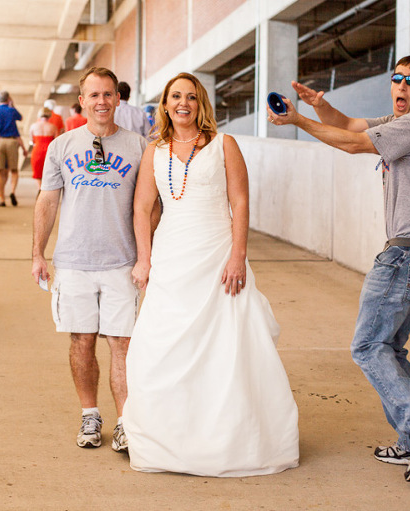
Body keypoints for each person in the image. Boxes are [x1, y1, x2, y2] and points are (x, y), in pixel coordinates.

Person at [269, 55, 410, 482]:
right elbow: (351, 125)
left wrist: (299, 122)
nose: (402, 87)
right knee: (389, 346)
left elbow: (353, 145)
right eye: (397, 79)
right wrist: (320, 106)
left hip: (408, 253)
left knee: (367, 346)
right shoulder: (397, 120)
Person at [123, 72, 299, 477]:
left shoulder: (225, 145)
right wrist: (144, 259)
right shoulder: (155, 150)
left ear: (201, 104)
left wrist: (238, 256)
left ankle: (229, 441)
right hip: (171, 258)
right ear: (164, 105)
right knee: (159, 349)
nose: (183, 103)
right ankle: (169, 443)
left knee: (227, 350)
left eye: (191, 97)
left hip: (218, 257)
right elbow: (142, 208)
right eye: (175, 97)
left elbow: (240, 201)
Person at [32, 67, 147, 452]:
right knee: (82, 340)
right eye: (93, 95)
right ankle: (90, 415)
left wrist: (147, 256)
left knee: (122, 343)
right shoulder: (62, 146)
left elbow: (151, 207)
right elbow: (47, 201)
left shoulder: (139, 147)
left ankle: (126, 423)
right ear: (81, 100)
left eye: (108, 94)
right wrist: (38, 253)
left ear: (118, 98)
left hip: (121, 262)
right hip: (74, 262)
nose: (101, 102)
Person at [0, 90, 28, 207]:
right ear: (8, 99)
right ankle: (12, 192)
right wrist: (12, 105)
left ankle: (2, 198)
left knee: (0, 171)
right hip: (12, 141)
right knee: (14, 170)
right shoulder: (12, 110)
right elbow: (21, 118)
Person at [28, 108, 58, 189]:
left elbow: (31, 140)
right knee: (49, 172)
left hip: (37, 150)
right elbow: (56, 142)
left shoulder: (33, 126)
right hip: (49, 151)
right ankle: (45, 188)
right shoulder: (53, 127)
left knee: (37, 173)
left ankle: (39, 188)